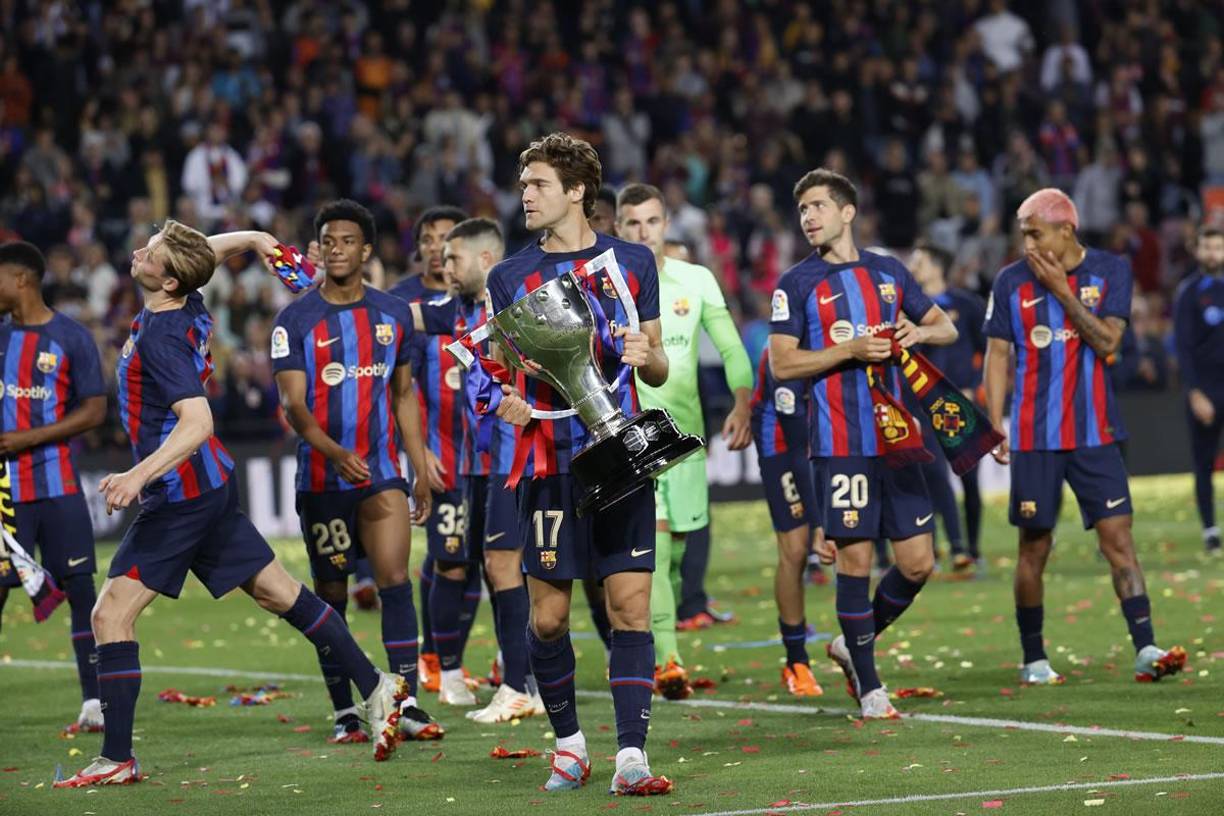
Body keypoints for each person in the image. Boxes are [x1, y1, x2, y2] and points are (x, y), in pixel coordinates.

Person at [56, 222, 411, 788]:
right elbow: (205, 252)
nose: (140, 249)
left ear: (168, 279)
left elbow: (198, 422)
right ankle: (376, 685)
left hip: (180, 495)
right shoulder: (185, 291)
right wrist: (259, 239)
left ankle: (118, 756)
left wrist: (137, 474)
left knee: (110, 616)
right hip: (211, 484)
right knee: (279, 592)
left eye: (154, 252)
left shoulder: (162, 335)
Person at [488, 132, 673, 795]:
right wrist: (504, 400)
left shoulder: (632, 261)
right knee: (548, 618)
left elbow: (657, 364)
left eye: (537, 183)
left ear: (575, 192)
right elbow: (495, 373)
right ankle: (569, 745)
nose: (525, 193)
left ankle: (631, 757)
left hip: (619, 455)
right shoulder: (507, 276)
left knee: (629, 609)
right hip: (546, 463)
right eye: (523, 182)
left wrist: (640, 354)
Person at [769, 168, 958, 719]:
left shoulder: (888, 272)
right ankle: (871, 687)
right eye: (802, 209)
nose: (809, 217)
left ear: (847, 212)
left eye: (819, 206)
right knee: (853, 562)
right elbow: (783, 363)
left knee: (918, 562)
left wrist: (916, 333)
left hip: (896, 438)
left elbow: (944, 326)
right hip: (840, 442)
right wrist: (848, 352)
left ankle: (849, 642)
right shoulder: (796, 284)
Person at [983, 188, 1186, 685]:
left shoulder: (1110, 270)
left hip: (1095, 434)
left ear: (1066, 230)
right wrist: (994, 421)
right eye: (1023, 234)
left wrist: (1062, 292)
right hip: (1033, 435)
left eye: (1035, 233)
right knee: (1035, 546)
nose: (1027, 244)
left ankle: (1146, 647)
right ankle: (1033, 658)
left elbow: (1110, 341)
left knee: (1119, 540)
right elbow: (996, 355)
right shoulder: (1010, 281)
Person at [273, 199, 441, 744]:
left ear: (366, 250)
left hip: (381, 474)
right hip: (322, 480)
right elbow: (294, 406)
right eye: (329, 242)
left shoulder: (393, 314)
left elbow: (404, 394)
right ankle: (345, 708)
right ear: (318, 250)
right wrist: (332, 450)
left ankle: (407, 702)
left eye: (349, 241)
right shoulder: (294, 319)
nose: (338, 250)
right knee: (333, 595)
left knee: (395, 581)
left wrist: (419, 467)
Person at [615, 182, 753, 699]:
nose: (643, 231)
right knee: (653, 541)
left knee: (672, 558)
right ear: (618, 227)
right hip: (633, 438)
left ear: (666, 224)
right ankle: (667, 660)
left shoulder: (696, 280)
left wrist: (742, 402)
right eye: (632, 223)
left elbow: (732, 347)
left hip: (687, 438)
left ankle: (642, 635)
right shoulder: (609, 288)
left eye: (651, 221)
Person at [410, 217, 544, 722]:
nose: (444, 267)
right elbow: (407, 316)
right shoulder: (459, 311)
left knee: (504, 567)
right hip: (485, 465)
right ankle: (515, 681)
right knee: (491, 567)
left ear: (486, 260)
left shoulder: (518, 307)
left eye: (454, 258)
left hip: (516, 461)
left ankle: (518, 685)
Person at [0, 241, 107, 732]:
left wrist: (29, 436)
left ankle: (94, 702)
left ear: (22, 279)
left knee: (81, 590)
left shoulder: (71, 337)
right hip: (6, 493)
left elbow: (94, 409)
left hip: (58, 486)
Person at [389, 205, 482, 703]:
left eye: (446, 239)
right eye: (429, 238)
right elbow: (397, 386)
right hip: (441, 452)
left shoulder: (483, 297)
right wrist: (420, 450)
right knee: (449, 558)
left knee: (479, 561)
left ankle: (454, 658)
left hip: (488, 453)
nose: (436, 248)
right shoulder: (405, 302)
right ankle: (442, 666)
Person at [907, 241, 988, 572]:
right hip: (924, 403)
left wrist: (975, 384)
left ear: (937, 266)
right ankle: (941, 546)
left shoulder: (965, 304)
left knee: (969, 478)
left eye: (919, 261)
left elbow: (989, 348)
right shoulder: (910, 308)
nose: (913, 268)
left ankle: (972, 547)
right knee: (931, 474)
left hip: (959, 402)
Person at [749, 347, 826, 696]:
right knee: (796, 549)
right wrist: (819, 525)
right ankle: (797, 661)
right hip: (781, 446)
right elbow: (798, 450)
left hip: (831, 439)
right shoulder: (784, 355)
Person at [1172, 226, 1224, 555]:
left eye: (1218, 247)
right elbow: (1184, 347)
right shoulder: (1189, 293)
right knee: (1203, 462)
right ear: (1198, 251)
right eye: (1207, 247)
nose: (1213, 253)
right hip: (1205, 389)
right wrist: (1194, 392)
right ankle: (1210, 531)